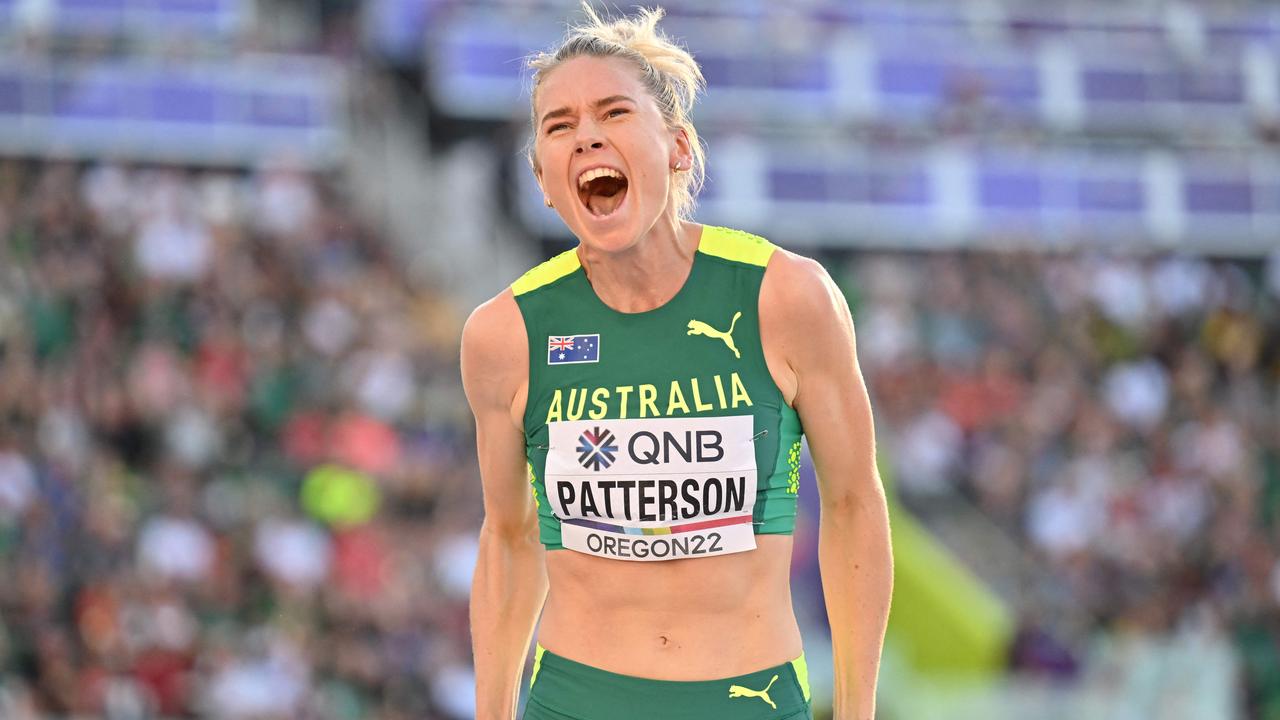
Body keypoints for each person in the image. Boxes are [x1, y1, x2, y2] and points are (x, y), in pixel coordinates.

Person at [460, 5, 893, 719]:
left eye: (613, 112)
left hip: (748, 698)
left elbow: (853, 506)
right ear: (543, 179)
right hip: (575, 699)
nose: (587, 134)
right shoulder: (503, 335)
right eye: (559, 125)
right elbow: (509, 536)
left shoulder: (787, 297)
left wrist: (856, 710)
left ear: (680, 148)